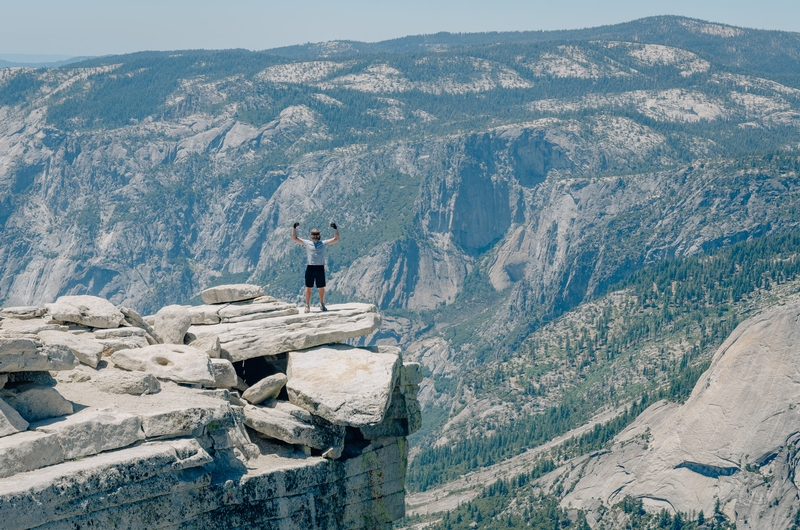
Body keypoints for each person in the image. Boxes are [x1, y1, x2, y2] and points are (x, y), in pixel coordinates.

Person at [292, 221, 339, 313]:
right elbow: (294, 238)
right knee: (308, 287)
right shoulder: (307, 243)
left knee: (321, 287)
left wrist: (335, 228)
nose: (315, 236)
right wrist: (294, 228)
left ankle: (322, 304)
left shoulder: (323, 243)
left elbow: (336, 239)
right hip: (310, 267)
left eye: (317, 234)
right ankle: (307, 305)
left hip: (320, 268)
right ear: (310, 235)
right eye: (313, 234)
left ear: (319, 235)